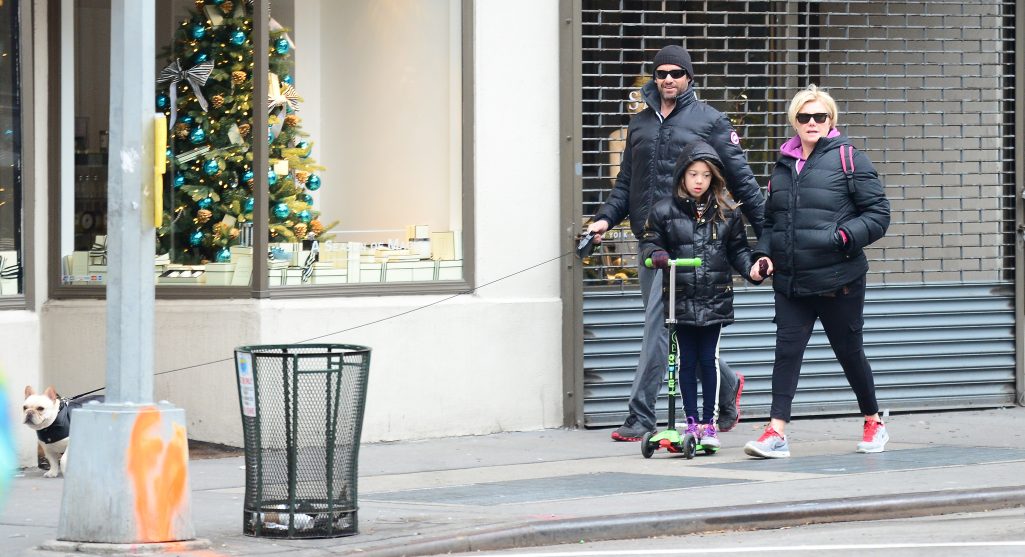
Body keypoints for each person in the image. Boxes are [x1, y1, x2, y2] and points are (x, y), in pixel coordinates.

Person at [587, 44, 765, 441]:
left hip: (696, 245)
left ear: (688, 77)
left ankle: (641, 417)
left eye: (676, 73)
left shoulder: (711, 121)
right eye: (662, 73)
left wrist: (767, 239)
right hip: (653, 246)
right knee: (677, 327)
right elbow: (625, 186)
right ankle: (729, 383)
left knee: (660, 328)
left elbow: (743, 182)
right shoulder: (640, 125)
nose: (668, 79)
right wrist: (603, 219)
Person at [744, 84, 890, 459]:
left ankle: (873, 420)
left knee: (849, 351)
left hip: (837, 279)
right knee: (786, 352)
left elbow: (878, 215)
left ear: (831, 120)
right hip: (792, 280)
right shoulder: (783, 166)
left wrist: (842, 236)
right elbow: (772, 222)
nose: (812, 123)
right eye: (805, 117)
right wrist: (763, 255)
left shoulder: (849, 158)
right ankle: (776, 432)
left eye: (819, 116)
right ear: (795, 121)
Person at [639, 141, 760, 448]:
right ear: (682, 175)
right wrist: (657, 254)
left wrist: (753, 270)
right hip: (680, 297)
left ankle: (709, 424)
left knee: (709, 359)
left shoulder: (728, 213)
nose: (698, 181)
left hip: (714, 297)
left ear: (713, 179)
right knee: (685, 361)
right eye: (693, 174)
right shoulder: (664, 211)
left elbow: (738, 252)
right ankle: (690, 421)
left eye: (705, 176)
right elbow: (650, 242)